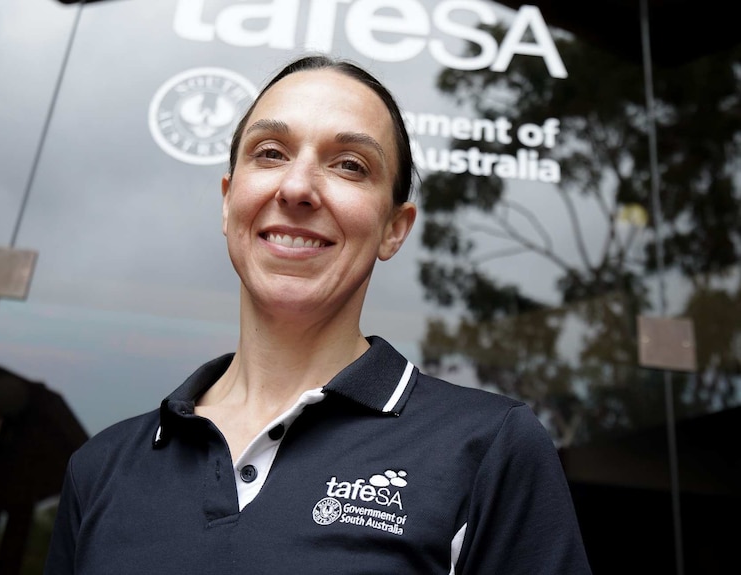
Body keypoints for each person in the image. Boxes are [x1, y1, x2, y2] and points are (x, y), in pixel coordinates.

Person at [45, 54, 592, 574]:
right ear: (228, 200)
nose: (298, 187)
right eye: (270, 153)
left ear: (393, 229)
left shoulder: (489, 447)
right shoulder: (101, 469)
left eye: (350, 165)